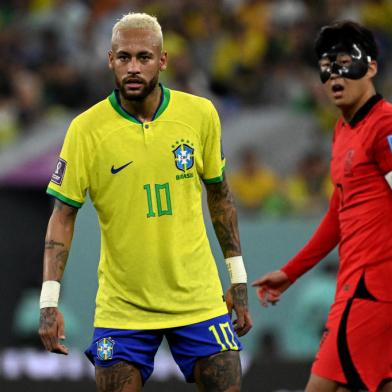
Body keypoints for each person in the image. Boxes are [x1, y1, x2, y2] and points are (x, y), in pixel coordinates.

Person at [38, 12, 252, 392]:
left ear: (163, 60)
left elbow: (221, 197)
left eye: (143, 57)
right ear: (110, 60)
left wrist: (237, 279)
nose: (133, 67)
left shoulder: (200, 115)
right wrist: (49, 301)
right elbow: (62, 217)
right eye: (124, 58)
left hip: (198, 299)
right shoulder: (86, 130)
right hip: (123, 308)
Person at [253, 20, 392, 392]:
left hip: (372, 291)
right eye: (327, 66)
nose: (334, 75)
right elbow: (337, 216)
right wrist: (291, 272)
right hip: (357, 288)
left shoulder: (385, 125)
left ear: (372, 66)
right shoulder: (343, 131)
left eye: (346, 62)